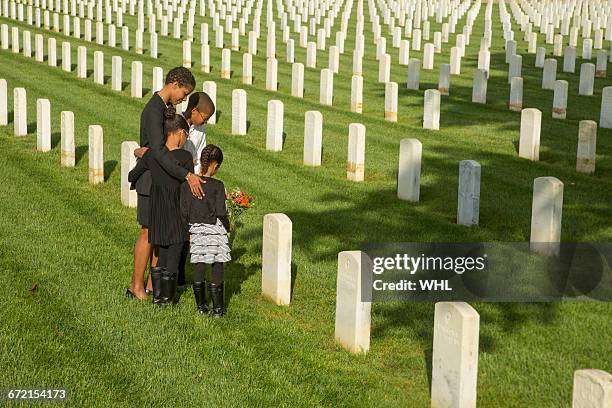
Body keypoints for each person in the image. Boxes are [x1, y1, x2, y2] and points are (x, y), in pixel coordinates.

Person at [127, 67, 203, 300]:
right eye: (184, 92)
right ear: (175, 83)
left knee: (159, 234)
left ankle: (153, 284)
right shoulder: (153, 110)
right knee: (148, 233)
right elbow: (158, 151)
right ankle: (136, 286)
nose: (183, 99)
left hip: (162, 179)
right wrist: (186, 175)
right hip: (151, 179)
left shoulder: (164, 109)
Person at [129, 108, 194, 306]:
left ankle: (156, 294)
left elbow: (132, 175)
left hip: (156, 209)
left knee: (159, 248)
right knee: (171, 255)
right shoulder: (184, 158)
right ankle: (166, 298)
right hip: (175, 211)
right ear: (181, 133)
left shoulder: (152, 155)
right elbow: (188, 189)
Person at [180, 144, 230, 317]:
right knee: (217, 265)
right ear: (215, 165)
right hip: (214, 229)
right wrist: (228, 227)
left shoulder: (187, 185)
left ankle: (201, 307)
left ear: (201, 161)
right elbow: (221, 212)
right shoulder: (218, 185)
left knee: (199, 266)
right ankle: (218, 309)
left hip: (197, 230)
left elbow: (183, 211)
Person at [182, 92, 216, 175]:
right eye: (204, 118)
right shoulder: (177, 124)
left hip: (195, 173)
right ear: (194, 111)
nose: (205, 122)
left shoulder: (201, 128)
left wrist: (199, 174)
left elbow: (201, 151)